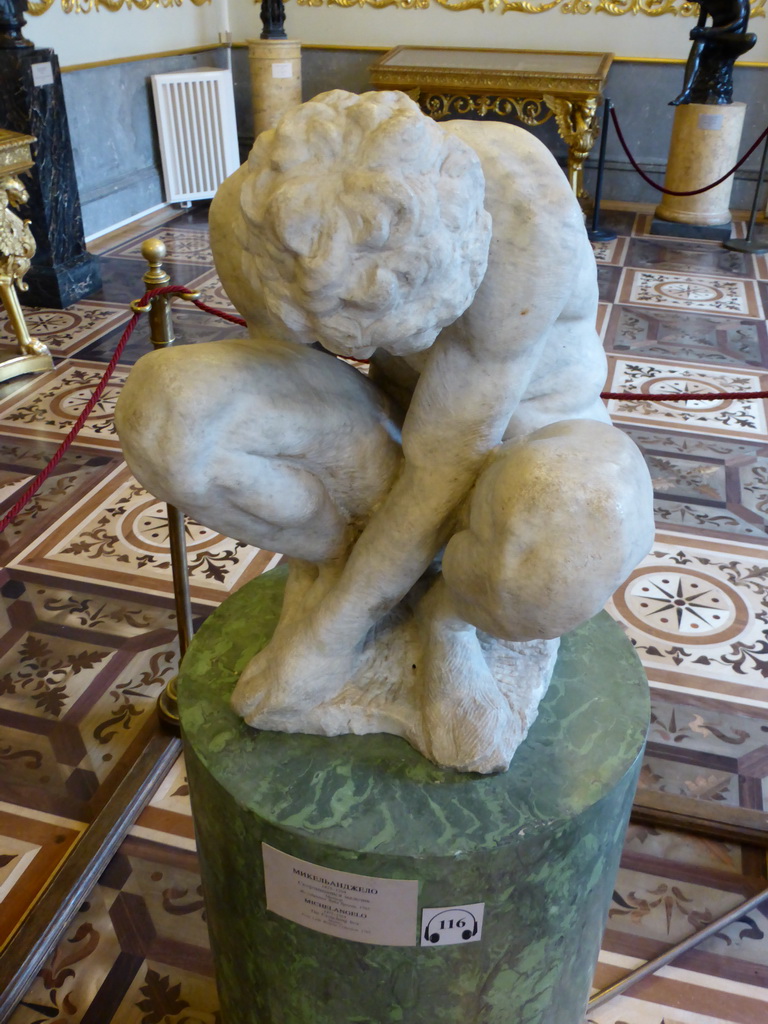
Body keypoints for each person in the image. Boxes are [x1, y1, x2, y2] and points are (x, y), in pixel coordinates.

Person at [116, 91, 654, 772]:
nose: (414, 344)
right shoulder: (258, 221)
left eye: (419, 326)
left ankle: (447, 619)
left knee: (570, 526)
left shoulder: (522, 216)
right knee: (170, 417)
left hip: (527, 453)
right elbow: (292, 369)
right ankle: (340, 562)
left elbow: (447, 463)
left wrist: (326, 640)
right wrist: (337, 606)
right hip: (390, 431)